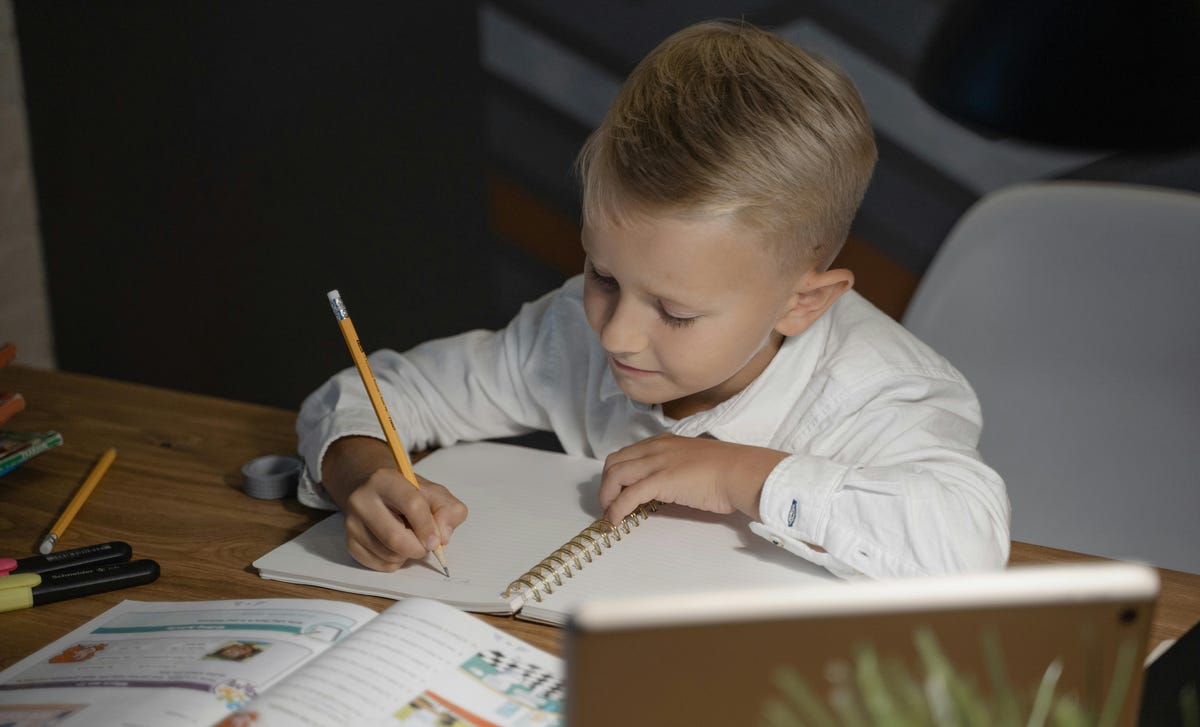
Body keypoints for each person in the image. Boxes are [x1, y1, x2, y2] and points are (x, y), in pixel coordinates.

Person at [296, 20, 1010, 579]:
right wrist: (365, 474)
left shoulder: (882, 392)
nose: (616, 335)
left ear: (805, 302)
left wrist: (744, 476)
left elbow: (971, 539)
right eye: (603, 276)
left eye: (675, 313)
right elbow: (378, 392)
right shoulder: (569, 332)